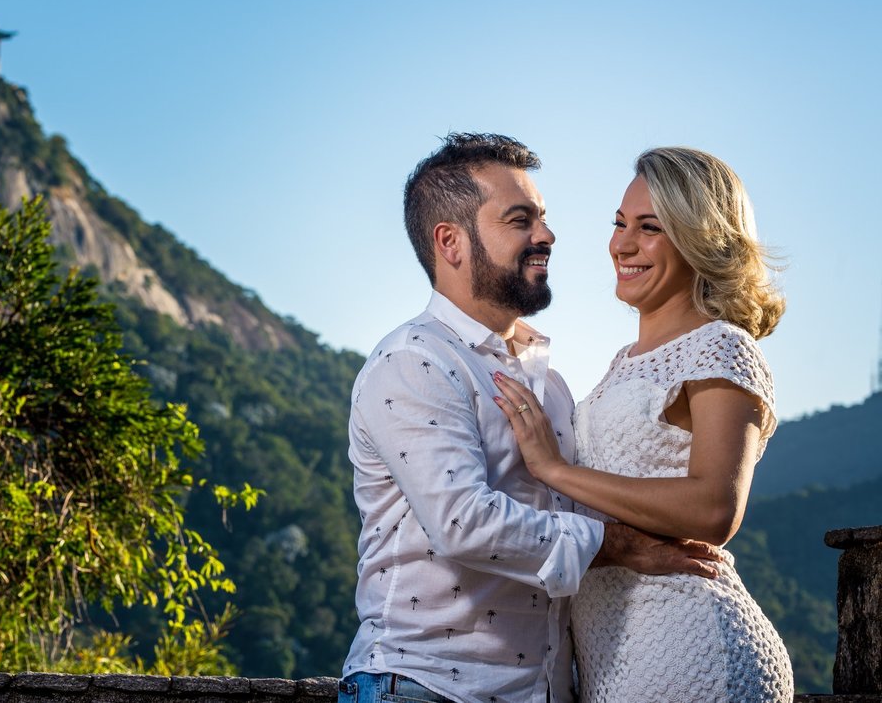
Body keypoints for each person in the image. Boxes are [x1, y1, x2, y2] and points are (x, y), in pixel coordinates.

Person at [339, 134, 720, 703]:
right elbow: (464, 522)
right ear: (451, 242)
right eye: (520, 220)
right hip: (426, 687)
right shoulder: (414, 361)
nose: (546, 236)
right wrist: (616, 545)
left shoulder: (554, 386)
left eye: (542, 218)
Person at [494, 146, 793, 702]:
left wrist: (554, 469)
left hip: (686, 640)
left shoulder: (722, 348)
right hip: (614, 652)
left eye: (650, 228)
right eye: (620, 223)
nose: (623, 245)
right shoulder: (623, 362)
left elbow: (714, 510)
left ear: (698, 238)